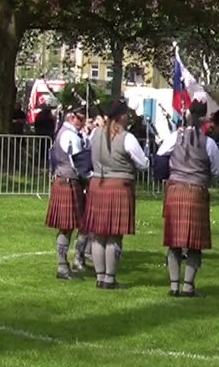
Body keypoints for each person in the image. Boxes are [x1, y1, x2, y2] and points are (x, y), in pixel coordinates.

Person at [83, 101, 149, 289]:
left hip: (97, 185)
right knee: (114, 235)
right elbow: (143, 164)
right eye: (126, 114)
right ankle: (109, 278)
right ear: (121, 116)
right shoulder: (127, 138)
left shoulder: (95, 134)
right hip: (119, 186)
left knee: (98, 235)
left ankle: (99, 276)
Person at [160, 101, 219, 297]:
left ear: (187, 115)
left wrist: (172, 172)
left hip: (176, 190)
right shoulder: (209, 143)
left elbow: (161, 155)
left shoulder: (174, 137)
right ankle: (188, 286)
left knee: (174, 241)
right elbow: (218, 171)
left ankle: (173, 286)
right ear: (204, 118)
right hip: (196, 192)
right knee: (194, 242)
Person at [45, 110, 91, 280]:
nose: (83, 121)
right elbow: (80, 165)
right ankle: (63, 267)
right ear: (72, 117)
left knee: (73, 227)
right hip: (68, 182)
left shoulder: (66, 133)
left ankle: (72, 263)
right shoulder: (69, 136)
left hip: (65, 181)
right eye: (80, 118)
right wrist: (90, 179)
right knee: (66, 228)